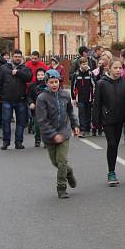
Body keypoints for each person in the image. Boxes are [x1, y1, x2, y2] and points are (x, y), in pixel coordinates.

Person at [36, 69, 80, 199]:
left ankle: (61, 188)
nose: (54, 85)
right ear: (47, 83)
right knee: (55, 162)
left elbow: (70, 112)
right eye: (51, 82)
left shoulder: (65, 95)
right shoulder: (42, 98)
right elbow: (41, 120)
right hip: (49, 136)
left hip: (64, 133)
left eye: (56, 82)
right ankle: (69, 172)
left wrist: (75, 125)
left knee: (61, 161)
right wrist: (53, 135)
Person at [92, 59, 125, 187]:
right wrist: (95, 121)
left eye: (120, 68)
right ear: (109, 69)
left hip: (119, 119)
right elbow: (97, 103)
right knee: (111, 143)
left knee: (115, 145)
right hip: (107, 119)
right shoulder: (101, 83)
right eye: (115, 68)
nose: (118, 70)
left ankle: (112, 170)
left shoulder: (124, 82)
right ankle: (111, 172)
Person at [0, 49, 32, 150]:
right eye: (15, 56)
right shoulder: (4, 68)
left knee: (21, 122)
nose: (17, 58)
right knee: (6, 121)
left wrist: (18, 73)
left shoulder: (24, 68)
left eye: (19, 57)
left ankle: (18, 142)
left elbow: (29, 77)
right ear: (12, 57)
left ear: (21, 58)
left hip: (21, 99)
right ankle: (6, 142)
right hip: (7, 99)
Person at [71, 59, 97, 137]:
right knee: (81, 113)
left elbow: (94, 85)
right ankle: (82, 130)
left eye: (86, 64)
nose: (84, 65)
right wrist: (74, 98)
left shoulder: (90, 73)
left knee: (88, 113)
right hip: (80, 98)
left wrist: (94, 96)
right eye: (83, 64)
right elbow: (73, 86)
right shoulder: (76, 74)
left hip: (89, 97)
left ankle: (87, 129)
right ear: (80, 65)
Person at [27, 68, 48, 147]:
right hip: (36, 109)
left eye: (42, 75)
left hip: (47, 109)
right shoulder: (32, 85)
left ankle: (46, 140)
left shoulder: (48, 85)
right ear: (36, 76)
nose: (40, 77)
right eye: (38, 75)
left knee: (46, 125)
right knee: (37, 125)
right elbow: (28, 96)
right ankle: (37, 138)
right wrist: (31, 103)